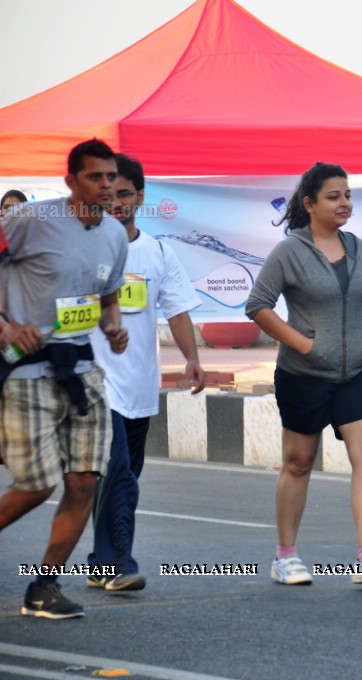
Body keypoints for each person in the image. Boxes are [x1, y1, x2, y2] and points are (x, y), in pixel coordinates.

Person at [245, 162, 362, 586]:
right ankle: (285, 556)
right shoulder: (290, 251)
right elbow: (258, 305)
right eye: (334, 197)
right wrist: (304, 344)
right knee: (299, 462)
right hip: (303, 374)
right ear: (310, 204)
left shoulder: (358, 247)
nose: (344, 203)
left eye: (348, 195)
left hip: (356, 372)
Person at [0, 138, 129, 619]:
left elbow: (109, 295)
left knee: (83, 482)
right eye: (95, 177)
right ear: (70, 181)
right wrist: (7, 326)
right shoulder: (31, 220)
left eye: (111, 177)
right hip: (27, 370)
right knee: (35, 485)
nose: (106, 185)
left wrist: (112, 326)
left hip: (82, 371)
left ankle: (44, 589)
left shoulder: (114, 234)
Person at [86, 154, 206, 592]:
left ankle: (100, 562)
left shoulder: (157, 251)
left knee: (124, 475)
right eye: (108, 194)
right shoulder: (87, 247)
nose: (116, 202)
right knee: (117, 470)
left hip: (140, 386)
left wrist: (192, 359)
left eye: (124, 194)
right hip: (97, 382)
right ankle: (121, 561)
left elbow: (176, 310)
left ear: (139, 197)